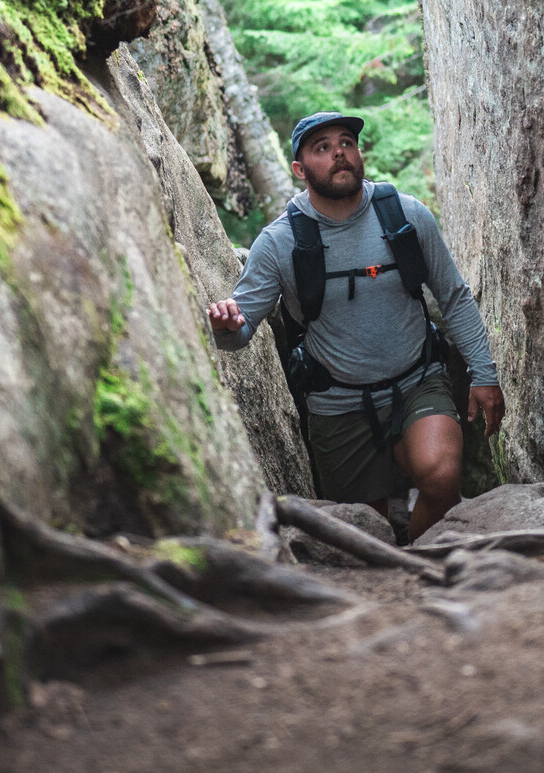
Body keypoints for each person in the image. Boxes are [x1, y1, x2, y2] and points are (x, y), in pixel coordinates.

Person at [207, 112, 505, 542]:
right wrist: (225, 324)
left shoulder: (406, 216)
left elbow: (453, 296)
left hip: (418, 380)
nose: (338, 153)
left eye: (345, 142)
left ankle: (414, 571)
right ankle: (392, 569)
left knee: (441, 478)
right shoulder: (278, 243)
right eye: (322, 148)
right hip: (338, 407)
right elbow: (240, 332)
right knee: (367, 531)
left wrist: (484, 373)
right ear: (300, 169)